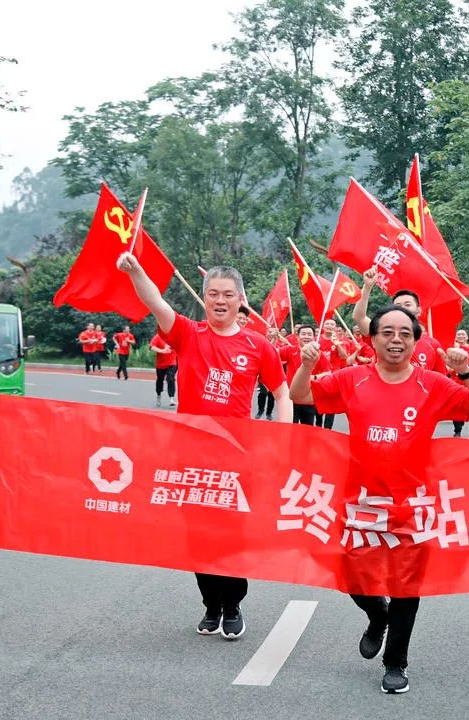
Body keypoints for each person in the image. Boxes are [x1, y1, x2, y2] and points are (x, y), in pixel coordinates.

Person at [290, 304, 469, 695]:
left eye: (404, 333)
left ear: (416, 342)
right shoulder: (352, 378)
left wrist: (466, 371)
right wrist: (307, 364)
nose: (395, 339)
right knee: (353, 576)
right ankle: (376, 615)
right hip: (361, 501)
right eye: (387, 332)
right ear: (373, 339)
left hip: (412, 504)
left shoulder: (432, 384)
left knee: (405, 587)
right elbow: (302, 395)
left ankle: (395, 662)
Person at [117, 251, 292, 640]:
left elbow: (282, 393)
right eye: (213, 293)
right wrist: (136, 271)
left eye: (228, 294)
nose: (220, 300)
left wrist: (283, 440)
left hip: (235, 460)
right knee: (197, 537)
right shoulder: (187, 334)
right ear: (205, 296)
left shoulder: (257, 346)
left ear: (241, 299)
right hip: (190, 458)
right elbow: (155, 302)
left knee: (231, 535)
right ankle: (211, 605)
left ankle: (232, 605)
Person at [352, 268, 447, 374]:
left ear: (419, 310)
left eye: (407, 304)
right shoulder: (382, 334)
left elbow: (440, 378)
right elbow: (359, 317)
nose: (402, 308)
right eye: (398, 305)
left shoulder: (432, 344)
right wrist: (367, 287)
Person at [281, 325, 329, 426]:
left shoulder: (318, 354)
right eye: (303, 334)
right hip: (291, 398)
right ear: (297, 337)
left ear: (314, 337)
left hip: (308, 398)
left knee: (307, 429)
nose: (306, 336)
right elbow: (273, 354)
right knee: (289, 428)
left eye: (309, 334)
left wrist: (314, 377)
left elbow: (328, 373)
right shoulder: (290, 350)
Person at [256, 327, 288, 420]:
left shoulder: (283, 342)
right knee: (262, 393)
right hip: (263, 371)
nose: (271, 333)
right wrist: (274, 339)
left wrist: (276, 339)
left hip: (277, 370)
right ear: (266, 333)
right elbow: (268, 350)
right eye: (269, 332)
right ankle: (260, 410)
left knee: (272, 394)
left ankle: (269, 413)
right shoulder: (262, 341)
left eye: (273, 332)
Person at [451, 328, 469, 437]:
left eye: (463, 334)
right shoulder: (452, 349)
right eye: (458, 334)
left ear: (467, 337)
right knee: (458, 406)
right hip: (457, 382)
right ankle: (457, 430)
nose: (461, 336)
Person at [148, 330, 177, 407]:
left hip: (172, 362)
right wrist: (162, 351)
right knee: (160, 381)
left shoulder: (175, 336)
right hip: (161, 364)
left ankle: (171, 398)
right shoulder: (158, 337)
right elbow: (151, 347)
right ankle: (159, 395)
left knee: (171, 378)